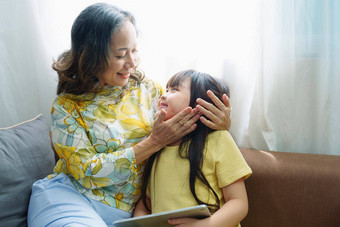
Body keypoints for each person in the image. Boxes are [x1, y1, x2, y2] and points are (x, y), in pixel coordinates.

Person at [27, 3, 232, 227]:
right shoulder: (66, 107)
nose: (132, 62)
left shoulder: (151, 92)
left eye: (134, 50)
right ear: (93, 56)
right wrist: (154, 142)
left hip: (130, 213)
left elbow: (190, 126)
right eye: (120, 55)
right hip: (72, 199)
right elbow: (87, 173)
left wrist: (219, 124)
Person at [134, 70, 252, 227]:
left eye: (174, 90)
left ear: (201, 104)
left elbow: (238, 203)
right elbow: (146, 203)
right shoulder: (157, 147)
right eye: (167, 89)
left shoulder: (218, 140)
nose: (163, 95)